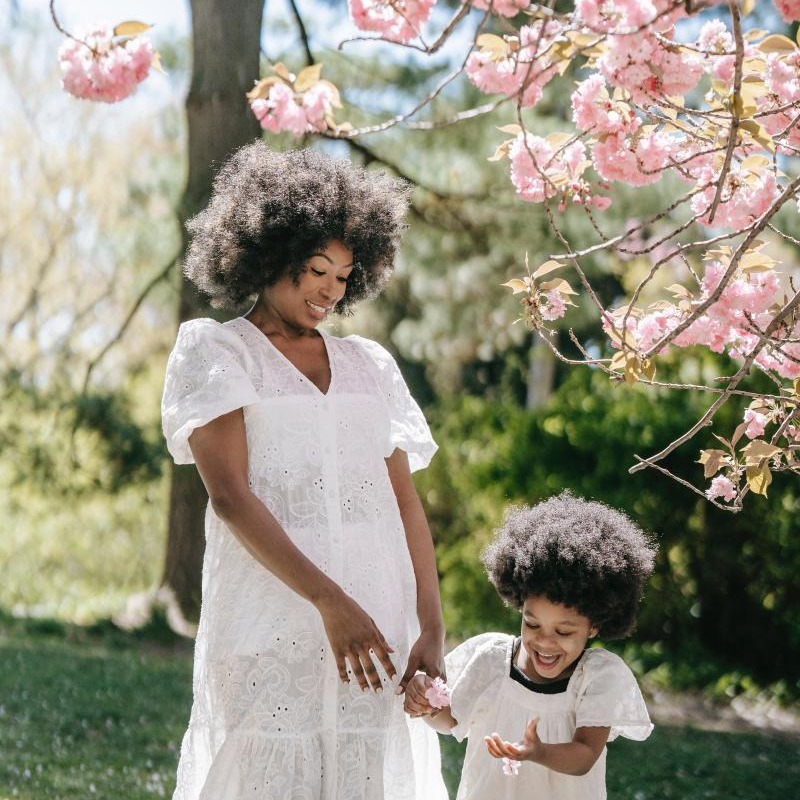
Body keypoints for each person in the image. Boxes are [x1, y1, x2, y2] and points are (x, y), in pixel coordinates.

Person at [161, 141, 449, 800]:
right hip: (272, 620)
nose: (330, 290)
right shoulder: (219, 353)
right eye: (317, 269)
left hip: (376, 626)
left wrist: (431, 626)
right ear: (268, 253)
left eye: (344, 276)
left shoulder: (370, 364)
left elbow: (404, 503)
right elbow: (230, 497)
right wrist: (328, 601)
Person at [403, 491, 656, 800]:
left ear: (594, 626)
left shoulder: (598, 677)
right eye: (532, 624)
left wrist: (539, 752)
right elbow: (450, 720)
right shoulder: (491, 659)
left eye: (563, 631)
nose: (545, 641)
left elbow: (585, 754)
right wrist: (427, 703)